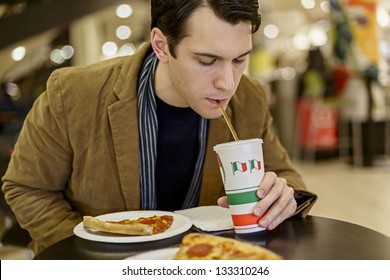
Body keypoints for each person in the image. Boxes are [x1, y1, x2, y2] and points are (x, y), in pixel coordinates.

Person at [2, 0, 317, 255]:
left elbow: (286, 176)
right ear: (162, 45)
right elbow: (26, 187)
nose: (227, 83)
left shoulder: (250, 98)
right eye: (207, 61)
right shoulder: (71, 94)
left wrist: (284, 196)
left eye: (239, 60)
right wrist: (87, 251)